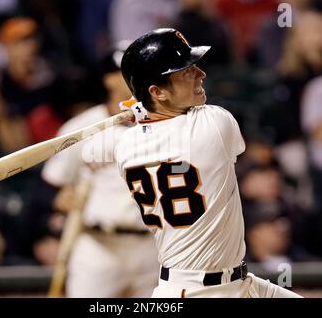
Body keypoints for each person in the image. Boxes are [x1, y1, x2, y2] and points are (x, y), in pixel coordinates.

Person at [115, 28, 302, 298]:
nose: (200, 74)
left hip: (229, 282)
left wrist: (146, 108)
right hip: (200, 292)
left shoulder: (124, 146)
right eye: (185, 72)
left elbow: (157, 124)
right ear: (157, 91)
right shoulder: (214, 123)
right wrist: (143, 107)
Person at [42, 42, 159, 297]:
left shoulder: (167, 126)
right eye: (126, 72)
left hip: (153, 246)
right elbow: (49, 185)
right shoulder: (82, 127)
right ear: (108, 80)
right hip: (98, 245)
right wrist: (60, 197)